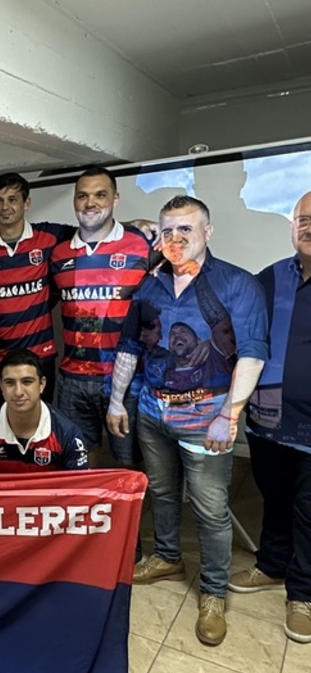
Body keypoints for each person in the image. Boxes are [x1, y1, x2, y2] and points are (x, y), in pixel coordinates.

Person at [107, 195, 268, 647]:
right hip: (152, 412)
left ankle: (214, 594)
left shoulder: (237, 284)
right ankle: (167, 557)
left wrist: (229, 415)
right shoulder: (150, 286)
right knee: (160, 491)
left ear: (207, 232)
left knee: (210, 508)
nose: (175, 239)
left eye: (186, 230)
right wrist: (117, 402)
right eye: (168, 231)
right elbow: (130, 348)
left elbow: (252, 354)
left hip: (207, 418)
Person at [228, 191, 311, 644]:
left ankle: (305, 595)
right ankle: (272, 565)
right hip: (267, 420)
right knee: (274, 498)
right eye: (302, 219)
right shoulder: (270, 278)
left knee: (309, 511)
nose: (308, 227)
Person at [50, 167, 151, 468]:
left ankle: (128, 516)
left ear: (115, 199)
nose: (90, 203)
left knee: (129, 463)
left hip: (126, 378)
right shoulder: (58, 254)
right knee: (79, 460)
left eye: (100, 195)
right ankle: (84, 516)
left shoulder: (142, 244)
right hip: (72, 378)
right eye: (82, 196)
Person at [0, 173, 75, 406]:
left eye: (12, 199)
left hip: (39, 356)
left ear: (26, 203)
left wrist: (131, 225)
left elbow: (92, 231)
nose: (5, 207)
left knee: (40, 426)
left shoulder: (48, 236)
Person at [0, 349, 89, 473]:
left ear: (41, 384)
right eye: (10, 383)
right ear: (1, 386)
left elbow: (78, 491)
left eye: (27, 382)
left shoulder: (68, 435)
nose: (18, 392)